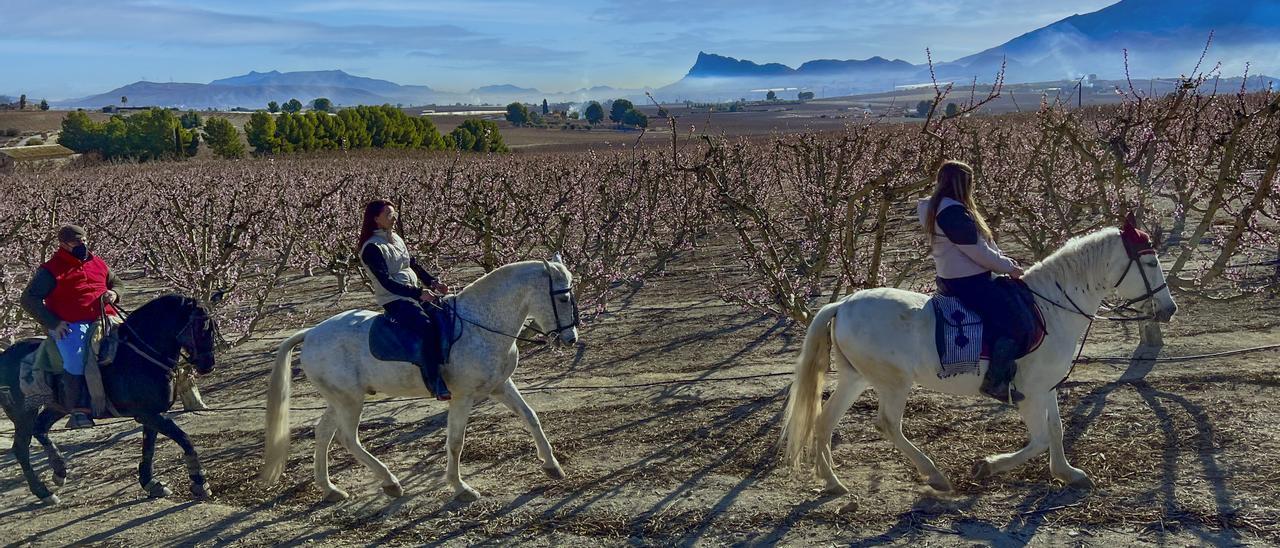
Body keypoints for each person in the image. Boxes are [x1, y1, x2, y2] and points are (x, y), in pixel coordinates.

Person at [918, 161, 1026, 403]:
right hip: (970, 283)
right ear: (962, 184)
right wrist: (1009, 268)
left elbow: (984, 245)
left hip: (951, 279)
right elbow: (977, 251)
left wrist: (1005, 262)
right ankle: (995, 382)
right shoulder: (952, 212)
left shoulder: (936, 207)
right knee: (1012, 320)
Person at [20, 225, 122, 428]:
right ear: (63, 245)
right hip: (72, 325)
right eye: (76, 242)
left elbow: (117, 282)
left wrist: (115, 293)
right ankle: (78, 411)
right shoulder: (50, 270)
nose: (82, 245)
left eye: (84, 241)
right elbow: (28, 299)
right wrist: (53, 323)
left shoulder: (98, 262)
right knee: (75, 358)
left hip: (107, 318)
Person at [357, 200, 452, 401]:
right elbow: (386, 282)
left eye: (394, 213)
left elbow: (413, 264)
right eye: (389, 214)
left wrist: (433, 283)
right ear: (376, 219)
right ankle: (434, 381)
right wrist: (418, 293)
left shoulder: (396, 238)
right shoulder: (371, 248)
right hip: (394, 299)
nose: (394, 217)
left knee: (447, 314)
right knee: (425, 327)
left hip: (413, 293)